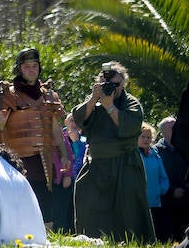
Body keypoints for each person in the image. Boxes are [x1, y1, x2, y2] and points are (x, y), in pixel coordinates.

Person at [72, 61, 155, 243]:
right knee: (87, 202)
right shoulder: (94, 102)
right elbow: (77, 119)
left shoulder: (130, 102)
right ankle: (92, 243)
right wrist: (93, 99)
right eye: (105, 84)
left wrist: (110, 107)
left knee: (128, 213)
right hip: (97, 165)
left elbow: (131, 126)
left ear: (123, 84)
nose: (110, 88)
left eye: (115, 85)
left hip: (124, 164)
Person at [0, 47, 69, 224]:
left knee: (45, 208)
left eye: (34, 66)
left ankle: (45, 240)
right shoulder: (9, 95)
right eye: (27, 66)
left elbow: (54, 128)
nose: (31, 70)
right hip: (18, 160)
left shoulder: (49, 95)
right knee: (20, 206)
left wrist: (64, 154)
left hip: (44, 161)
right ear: (20, 69)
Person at [155, 115, 189, 242]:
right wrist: (172, 190)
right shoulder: (156, 151)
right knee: (167, 238)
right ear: (163, 131)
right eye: (173, 128)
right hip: (165, 203)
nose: (177, 130)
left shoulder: (186, 148)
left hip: (186, 200)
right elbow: (155, 177)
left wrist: (185, 188)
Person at [139, 121, 170, 239]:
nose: (146, 140)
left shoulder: (155, 155)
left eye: (148, 137)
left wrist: (160, 190)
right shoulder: (132, 155)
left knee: (156, 236)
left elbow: (163, 177)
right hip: (138, 203)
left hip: (155, 202)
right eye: (142, 136)